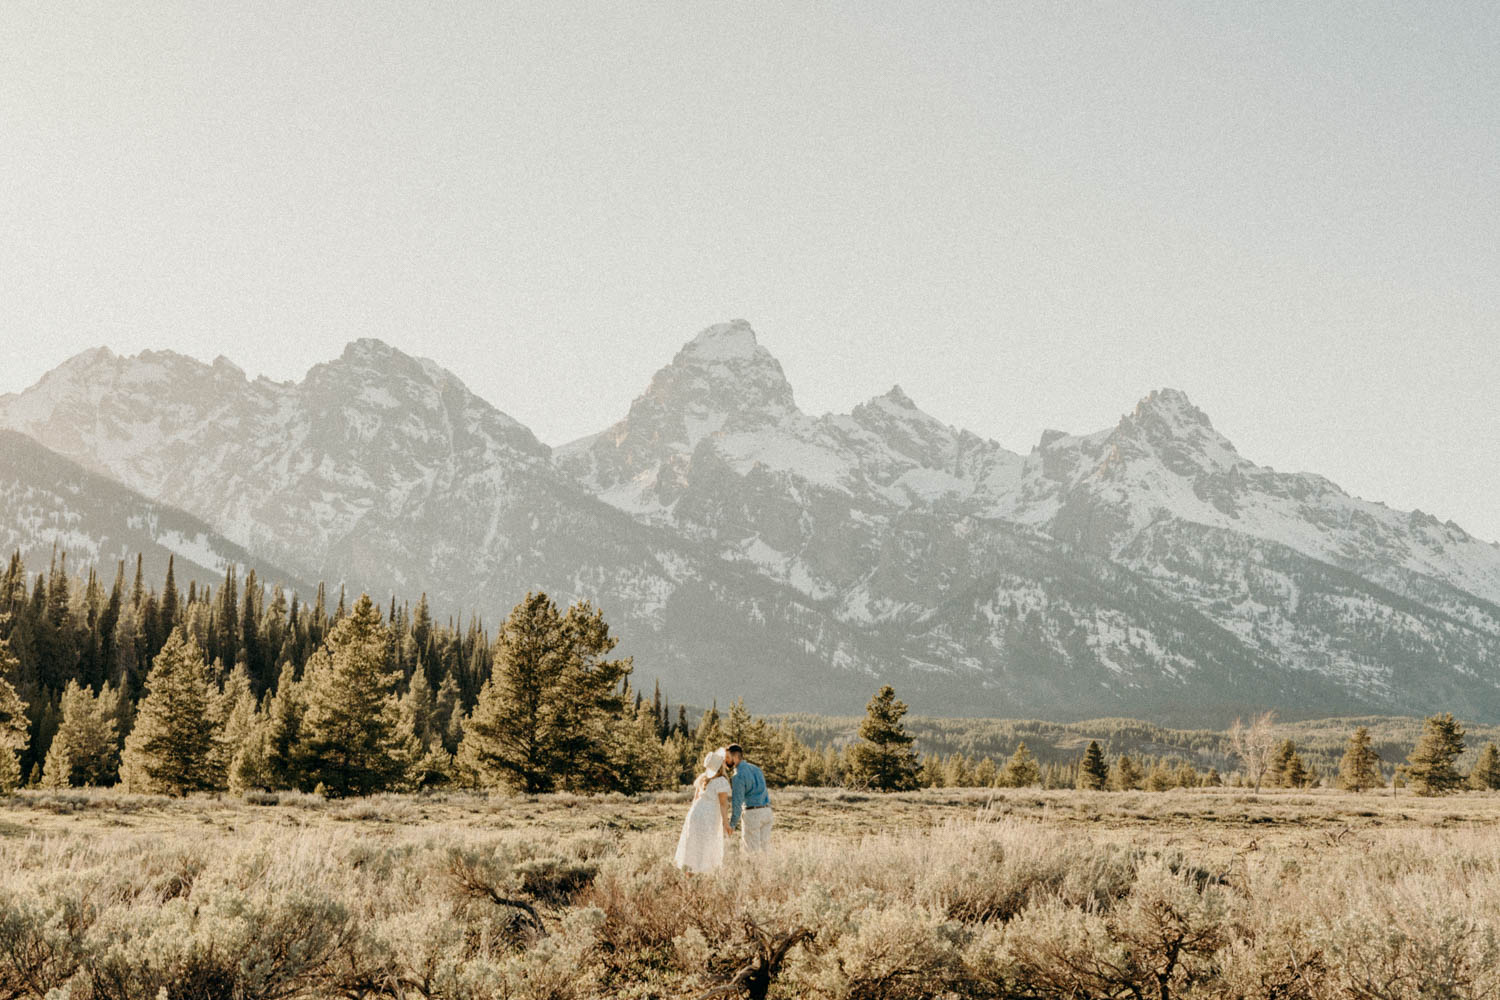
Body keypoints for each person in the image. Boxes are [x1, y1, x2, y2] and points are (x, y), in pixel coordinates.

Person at [673, 747, 733, 874]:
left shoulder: (702, 778)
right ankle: (704, 874)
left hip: (695, 812)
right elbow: (723, 805)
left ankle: (690, 874)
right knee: (707, 844)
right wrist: (726, 823)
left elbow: (695, 799)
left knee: (693, 843)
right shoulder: (721, 781)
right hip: (709, 815)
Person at [726, 744, 773, 852]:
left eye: (728, 758)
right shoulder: (756, 769)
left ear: (735, 757)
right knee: (765, 850)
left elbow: (737, 803)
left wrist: (732, 824)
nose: (726, 761)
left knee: (751, 852)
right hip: (767, 811)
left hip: (753, 813)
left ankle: (753, 869)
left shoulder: (738, 776)